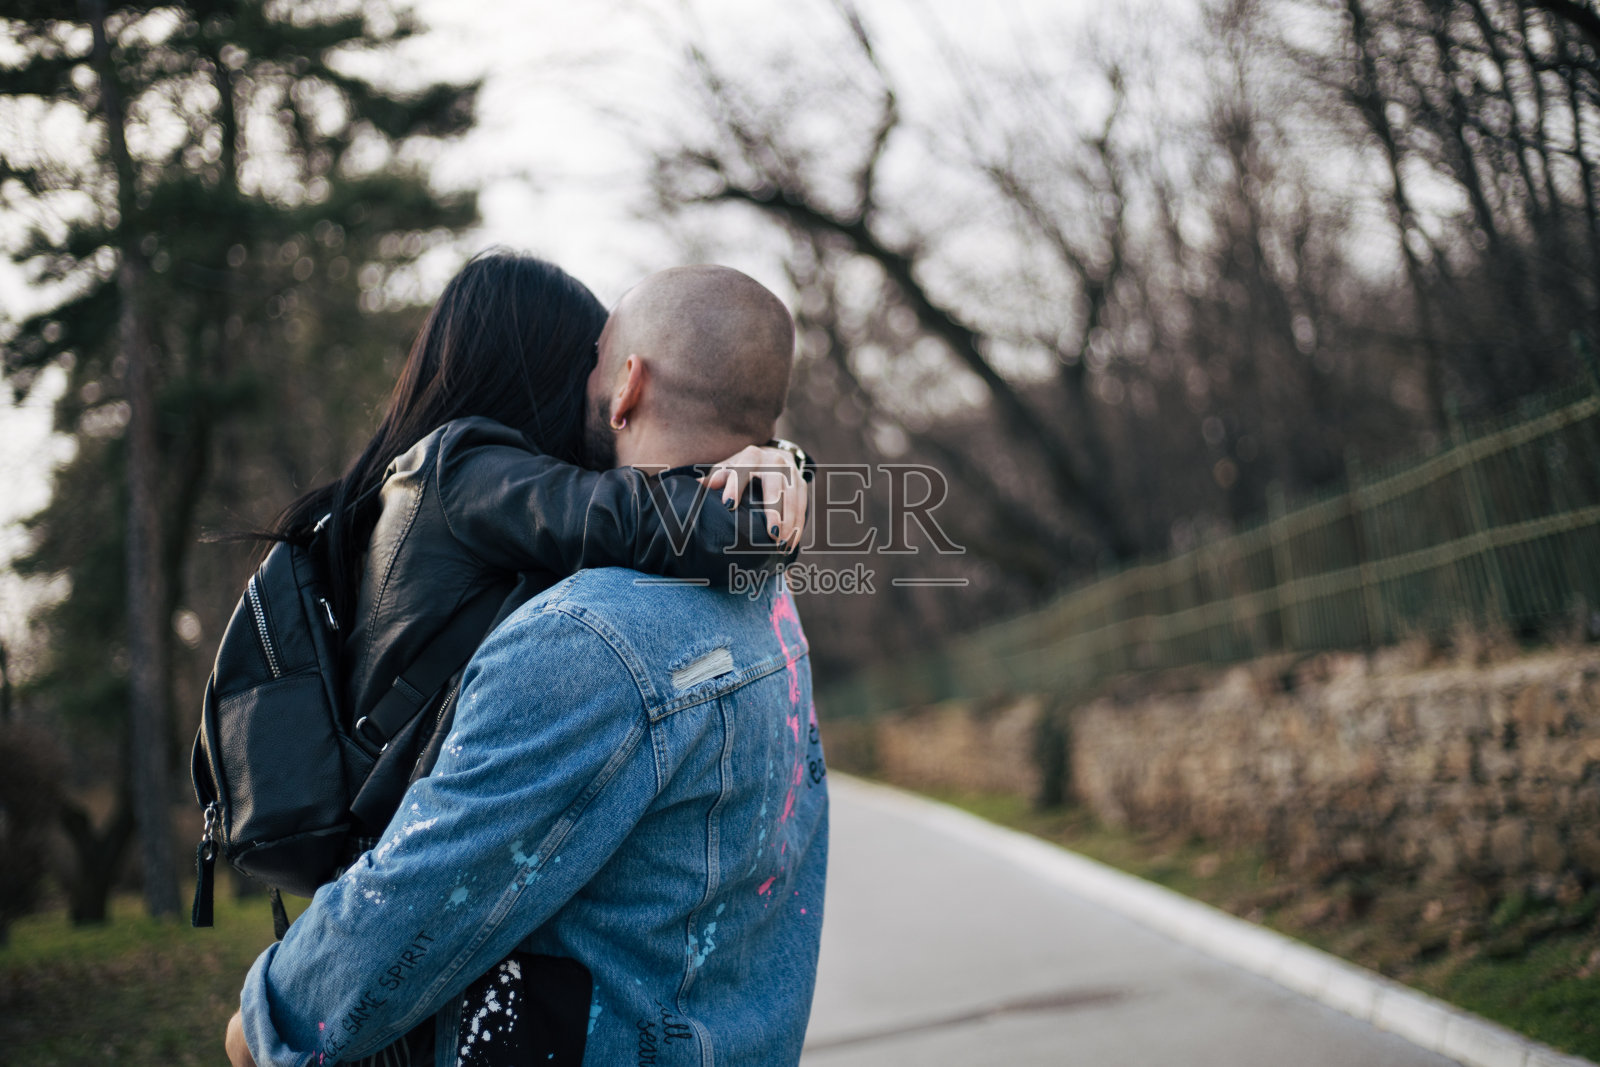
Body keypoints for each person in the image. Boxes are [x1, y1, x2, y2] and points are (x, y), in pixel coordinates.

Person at [227, 264, 827, 1066]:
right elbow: (625, 513)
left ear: (627, 385)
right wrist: (764, 494)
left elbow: (423, 899)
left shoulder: (589, 634)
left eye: (601, 360)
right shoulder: (760, 604)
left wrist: (270, 1020)